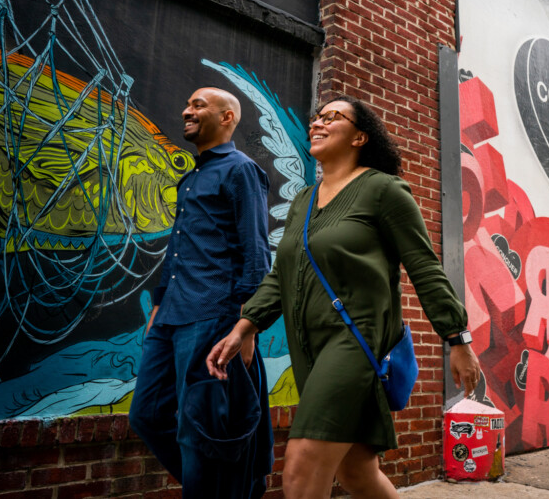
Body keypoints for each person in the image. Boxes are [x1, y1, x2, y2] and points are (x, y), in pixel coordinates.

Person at [206, 95, 481, 498]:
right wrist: (244, 327)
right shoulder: (303, 200)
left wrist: (457, 339)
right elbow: (282, 274)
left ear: (359, 137)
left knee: (301, 464)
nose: (317, 122)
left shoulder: (384, 190)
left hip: (355, 341)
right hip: (309, 347)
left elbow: (424, 267)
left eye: (332, 117)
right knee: (356, 472)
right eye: (316, 116)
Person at [129, 87, 274, 498]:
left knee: (201, 429)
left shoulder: (241, 170)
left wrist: (247, 327)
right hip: (171, 316)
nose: (185, 110)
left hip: (213, 315)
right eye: (187, 103)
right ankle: (222, 489)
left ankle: (216, 489)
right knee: (147, 415)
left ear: (226, 117)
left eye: (197, 105)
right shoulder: (192, 176)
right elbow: (179, 248)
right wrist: (158, 304)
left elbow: (255, 251)